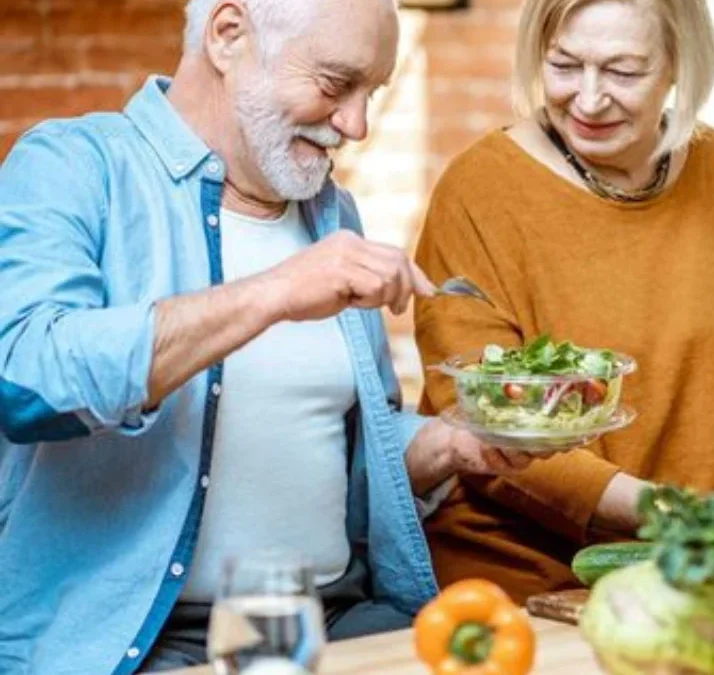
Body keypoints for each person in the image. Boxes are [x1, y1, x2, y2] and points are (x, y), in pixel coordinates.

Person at [0, 0, 532, 672]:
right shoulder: (74, 166)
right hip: (143, 641)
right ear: (228, 36)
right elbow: (23, 378)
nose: (357, 124)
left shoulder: (332, 214)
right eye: (337, 85)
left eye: (373, 94)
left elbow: (333, 450)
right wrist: (275, 291)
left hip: (340, 616)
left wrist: (450, 444)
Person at [412, 0, 714, 603]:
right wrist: (677, 514)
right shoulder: (479, 192)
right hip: (535, 589)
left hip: (710, 575)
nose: (589, 99)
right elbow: (485, 425)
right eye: (565, 65)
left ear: (679, 65)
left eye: (623, 72)